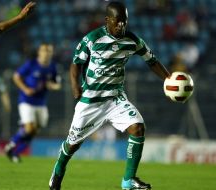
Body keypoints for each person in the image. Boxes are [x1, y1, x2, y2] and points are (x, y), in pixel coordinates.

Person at [49, 1, 170, 190]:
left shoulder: (133, 41)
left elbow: (152, 61)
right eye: (118, 21)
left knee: (138, 128)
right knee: (72, 145)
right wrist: (75, 87)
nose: (121, 25)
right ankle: (58, 170)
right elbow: (75, 63)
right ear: (107, 20)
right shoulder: (92, 39)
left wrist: (169, 80)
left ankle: (128, 181)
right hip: (91, 101)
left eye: (125, 22)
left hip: (115, 99)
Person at [4, 43, 61, 163]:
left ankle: (15, 152)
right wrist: (25, 89)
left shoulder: (53, 67)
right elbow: (16, 76)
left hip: (41, 103)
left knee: (35, 131)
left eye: (49, 51)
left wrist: (52, 86)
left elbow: (57, 84)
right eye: (45, 50)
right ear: (39, 52)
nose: (47, 53)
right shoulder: (31, 64)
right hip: (26, 101)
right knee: (29, 128)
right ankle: (11, 143)